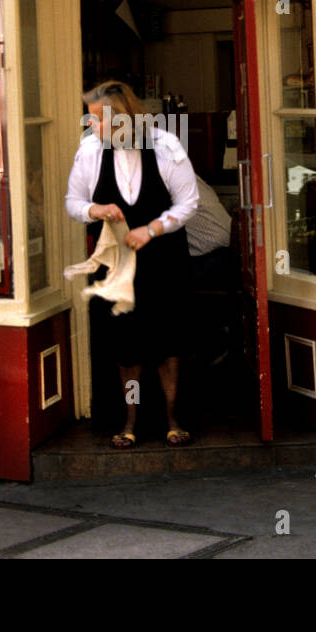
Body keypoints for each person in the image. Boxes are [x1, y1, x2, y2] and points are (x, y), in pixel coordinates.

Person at [65, 80, 198, 449]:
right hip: (117, 265)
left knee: (168, 343)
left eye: (98, 119)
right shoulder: (90, 151)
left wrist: (152, 229)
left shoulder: (165, 145)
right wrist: (95, 209)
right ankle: (131, 419)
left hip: (164, 259)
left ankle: (172, 418)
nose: (91, 126)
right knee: (128, 348)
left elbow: (189, 203)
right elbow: (72, 202)